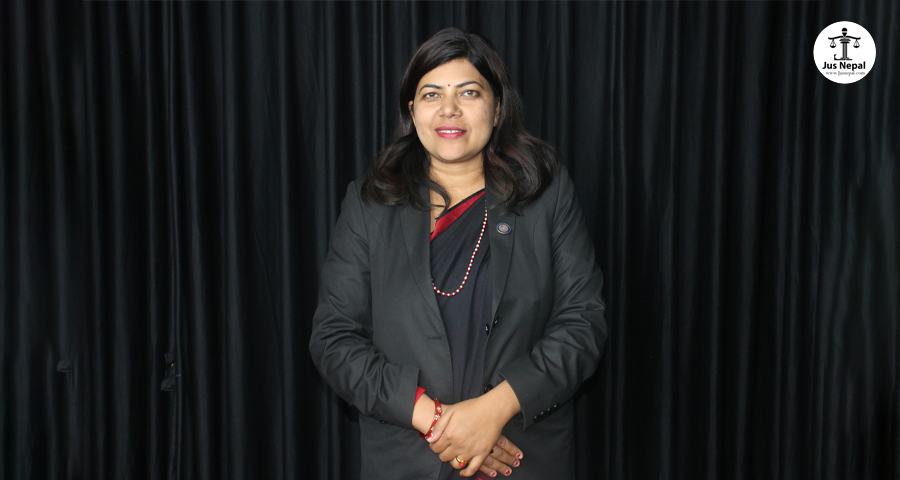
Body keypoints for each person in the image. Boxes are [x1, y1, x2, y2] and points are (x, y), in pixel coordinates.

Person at [309, 27, 606, 480]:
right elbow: (334, 339)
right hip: (408, 461)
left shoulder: (545, 197)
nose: (449, 109)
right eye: (432, 94)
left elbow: (583, 324)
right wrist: (439, 424)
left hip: (518, 459)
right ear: (412, 110)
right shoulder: (371, 205)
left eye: (469, 92)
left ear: (497, 107)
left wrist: (493, 410)